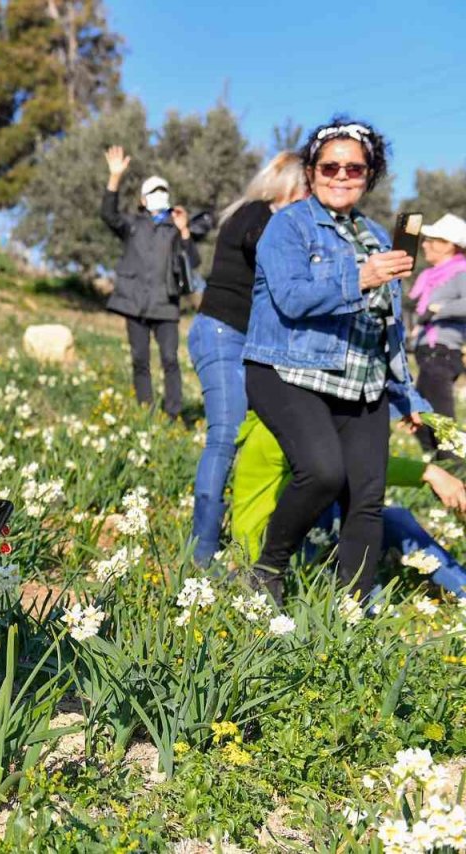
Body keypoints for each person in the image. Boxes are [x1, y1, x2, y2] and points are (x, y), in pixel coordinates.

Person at [242, 116, 427, 604]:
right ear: (311, 169)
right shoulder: (289, 226)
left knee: (366, 500)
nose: (341, 176)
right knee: (323, 472)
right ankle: (267, 569)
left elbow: (388, 326)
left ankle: (351, 613)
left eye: (355, 168)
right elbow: (291, 298)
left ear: (369, 175)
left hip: (361, 382)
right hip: (288, 370)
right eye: (330, 166)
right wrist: (360, 276)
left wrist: (408, 397)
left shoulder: (378, 236)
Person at [187, 153, 308, 566]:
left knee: (255, 437)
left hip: (246, 341)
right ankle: (200, 553)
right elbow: (267, 247)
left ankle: (249, 536)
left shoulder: (261, 216)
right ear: (290, 187)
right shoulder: (257, 214)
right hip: (221, 332)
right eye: (307, 188)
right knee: (224, 435)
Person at [229, 411, 466, 599]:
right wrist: (428, 472)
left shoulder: (307, 416)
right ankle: (365, 610)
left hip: (313, 521)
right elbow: (359, 466)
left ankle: (462, 588)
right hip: (276, 546)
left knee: (394, 518)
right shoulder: (282, 427)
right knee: (362, 520)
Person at [101, 147, 198, 419]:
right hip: (134, 304)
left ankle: (173, 415)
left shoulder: (174, 228)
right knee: (140, 360)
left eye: (162, 191)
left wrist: (184, 230)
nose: (158, 197)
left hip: (165, 305)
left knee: (170, 360)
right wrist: (114, 178)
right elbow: (108, 215)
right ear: (142, 200)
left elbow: (193, 261)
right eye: (153, 192)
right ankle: (146, 412)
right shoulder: (132, 224)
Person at [408, 213, 466, 455]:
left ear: (448, 245)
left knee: (441, 420)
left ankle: (456, 472)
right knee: (419, 417)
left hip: (441, 354)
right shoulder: (431, 277)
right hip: (428, 355)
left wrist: (439, 309)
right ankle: (440, 465)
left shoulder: (461, 272)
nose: (424, 244)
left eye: (431, 240)